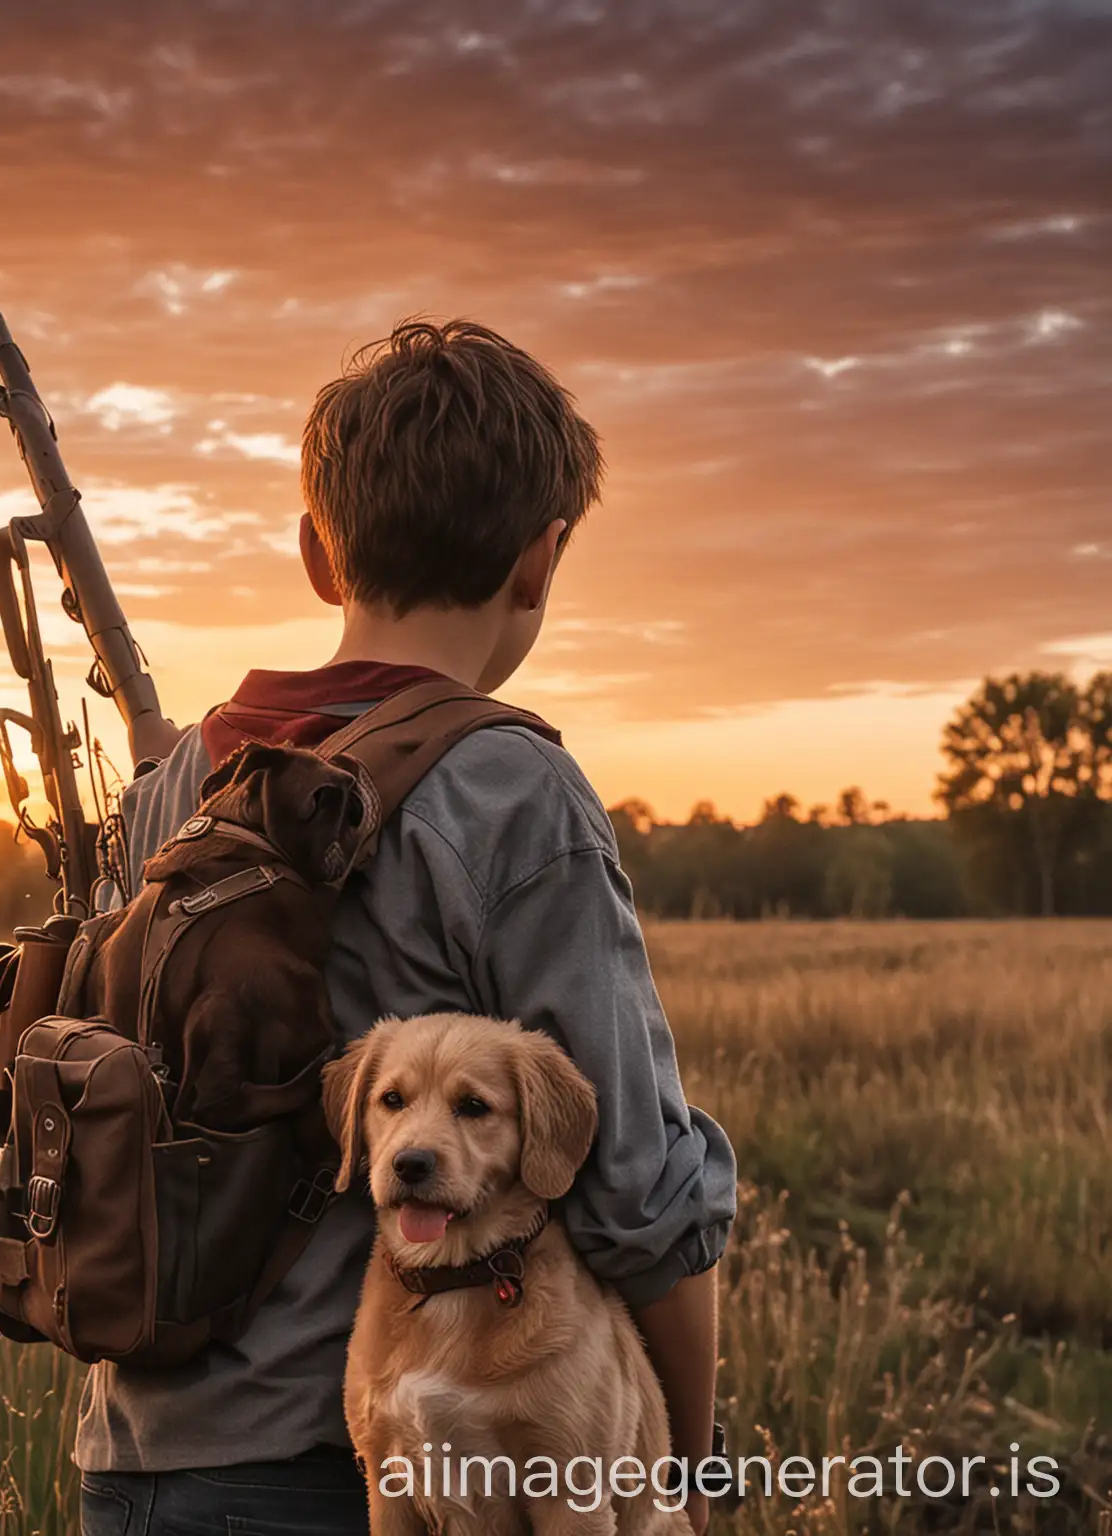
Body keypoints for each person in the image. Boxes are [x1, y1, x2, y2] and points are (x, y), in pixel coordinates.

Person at [76, 319, 736, 1536]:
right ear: (541, 561)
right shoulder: (513, 788)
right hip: (379, 1472)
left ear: (317, 554)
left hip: (131, 1462)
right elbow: (642, 1196)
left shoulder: (177, 784)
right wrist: (684, 1480)